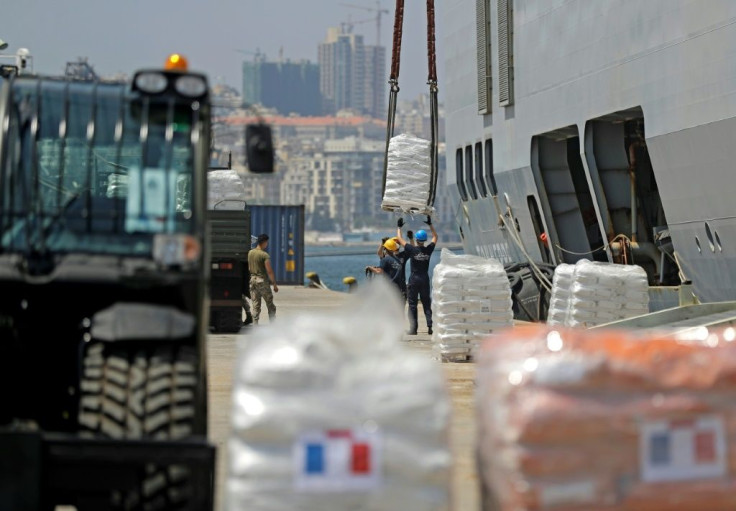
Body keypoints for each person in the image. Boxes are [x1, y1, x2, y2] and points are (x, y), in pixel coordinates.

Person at [396, 216, 438, 335]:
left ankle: (414, 329)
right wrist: (430, 224)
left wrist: (399, 227)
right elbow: (435, 237)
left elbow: (399, 239)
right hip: (425, 278)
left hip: (414, 279)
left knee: (413, 304)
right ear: (425, 240)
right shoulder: (428, 250)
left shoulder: (412, 250)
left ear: (416, 239)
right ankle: (430, 326)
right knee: (426, 303)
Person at [248, 233, 278, 324]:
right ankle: (273, 326)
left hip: (252, 281)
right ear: (264, 242)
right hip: (262, 281)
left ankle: (255, 326)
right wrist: (274, 284)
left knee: (255, 306)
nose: (267, 244)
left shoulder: (250, 252)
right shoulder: (264, 255)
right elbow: (269, 271)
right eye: (267, 242)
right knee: (270, 305)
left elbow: (249, 268)